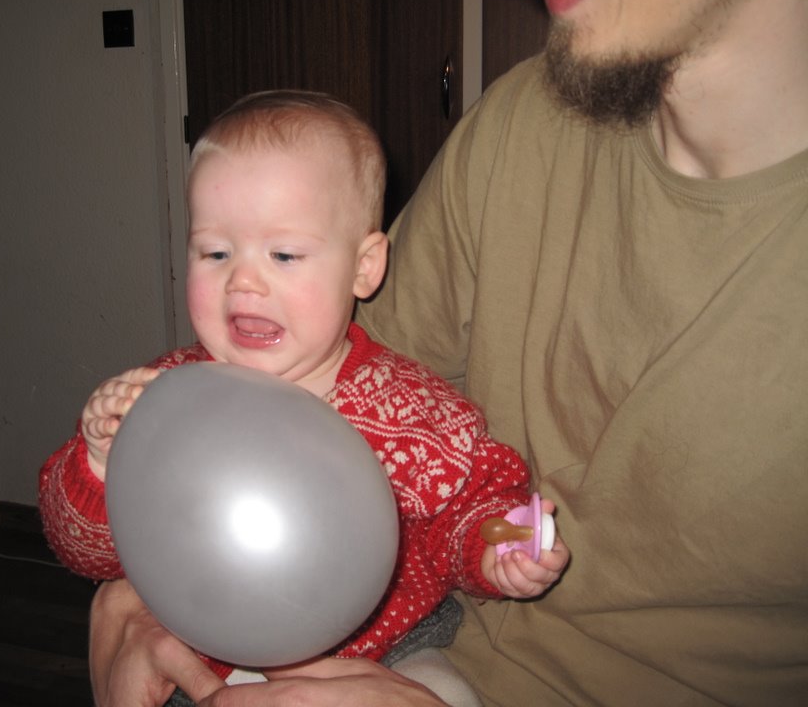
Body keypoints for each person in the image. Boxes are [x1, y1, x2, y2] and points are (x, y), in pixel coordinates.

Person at [83, 0, 808, 705]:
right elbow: (334, 418)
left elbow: (457, 485)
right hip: (399, 648)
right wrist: (154, 582)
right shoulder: (526, 118)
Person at [38, 90, 570, 706]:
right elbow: (85, 553)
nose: (243, 280)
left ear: (364, 267)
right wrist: (99, 463)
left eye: (284, 254)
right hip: (199, 651)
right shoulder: (161, 401)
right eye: (216, 252)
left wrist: (497, 546)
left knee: (451, 696)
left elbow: (472, 505)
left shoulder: (410, 411)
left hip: (382, 653)